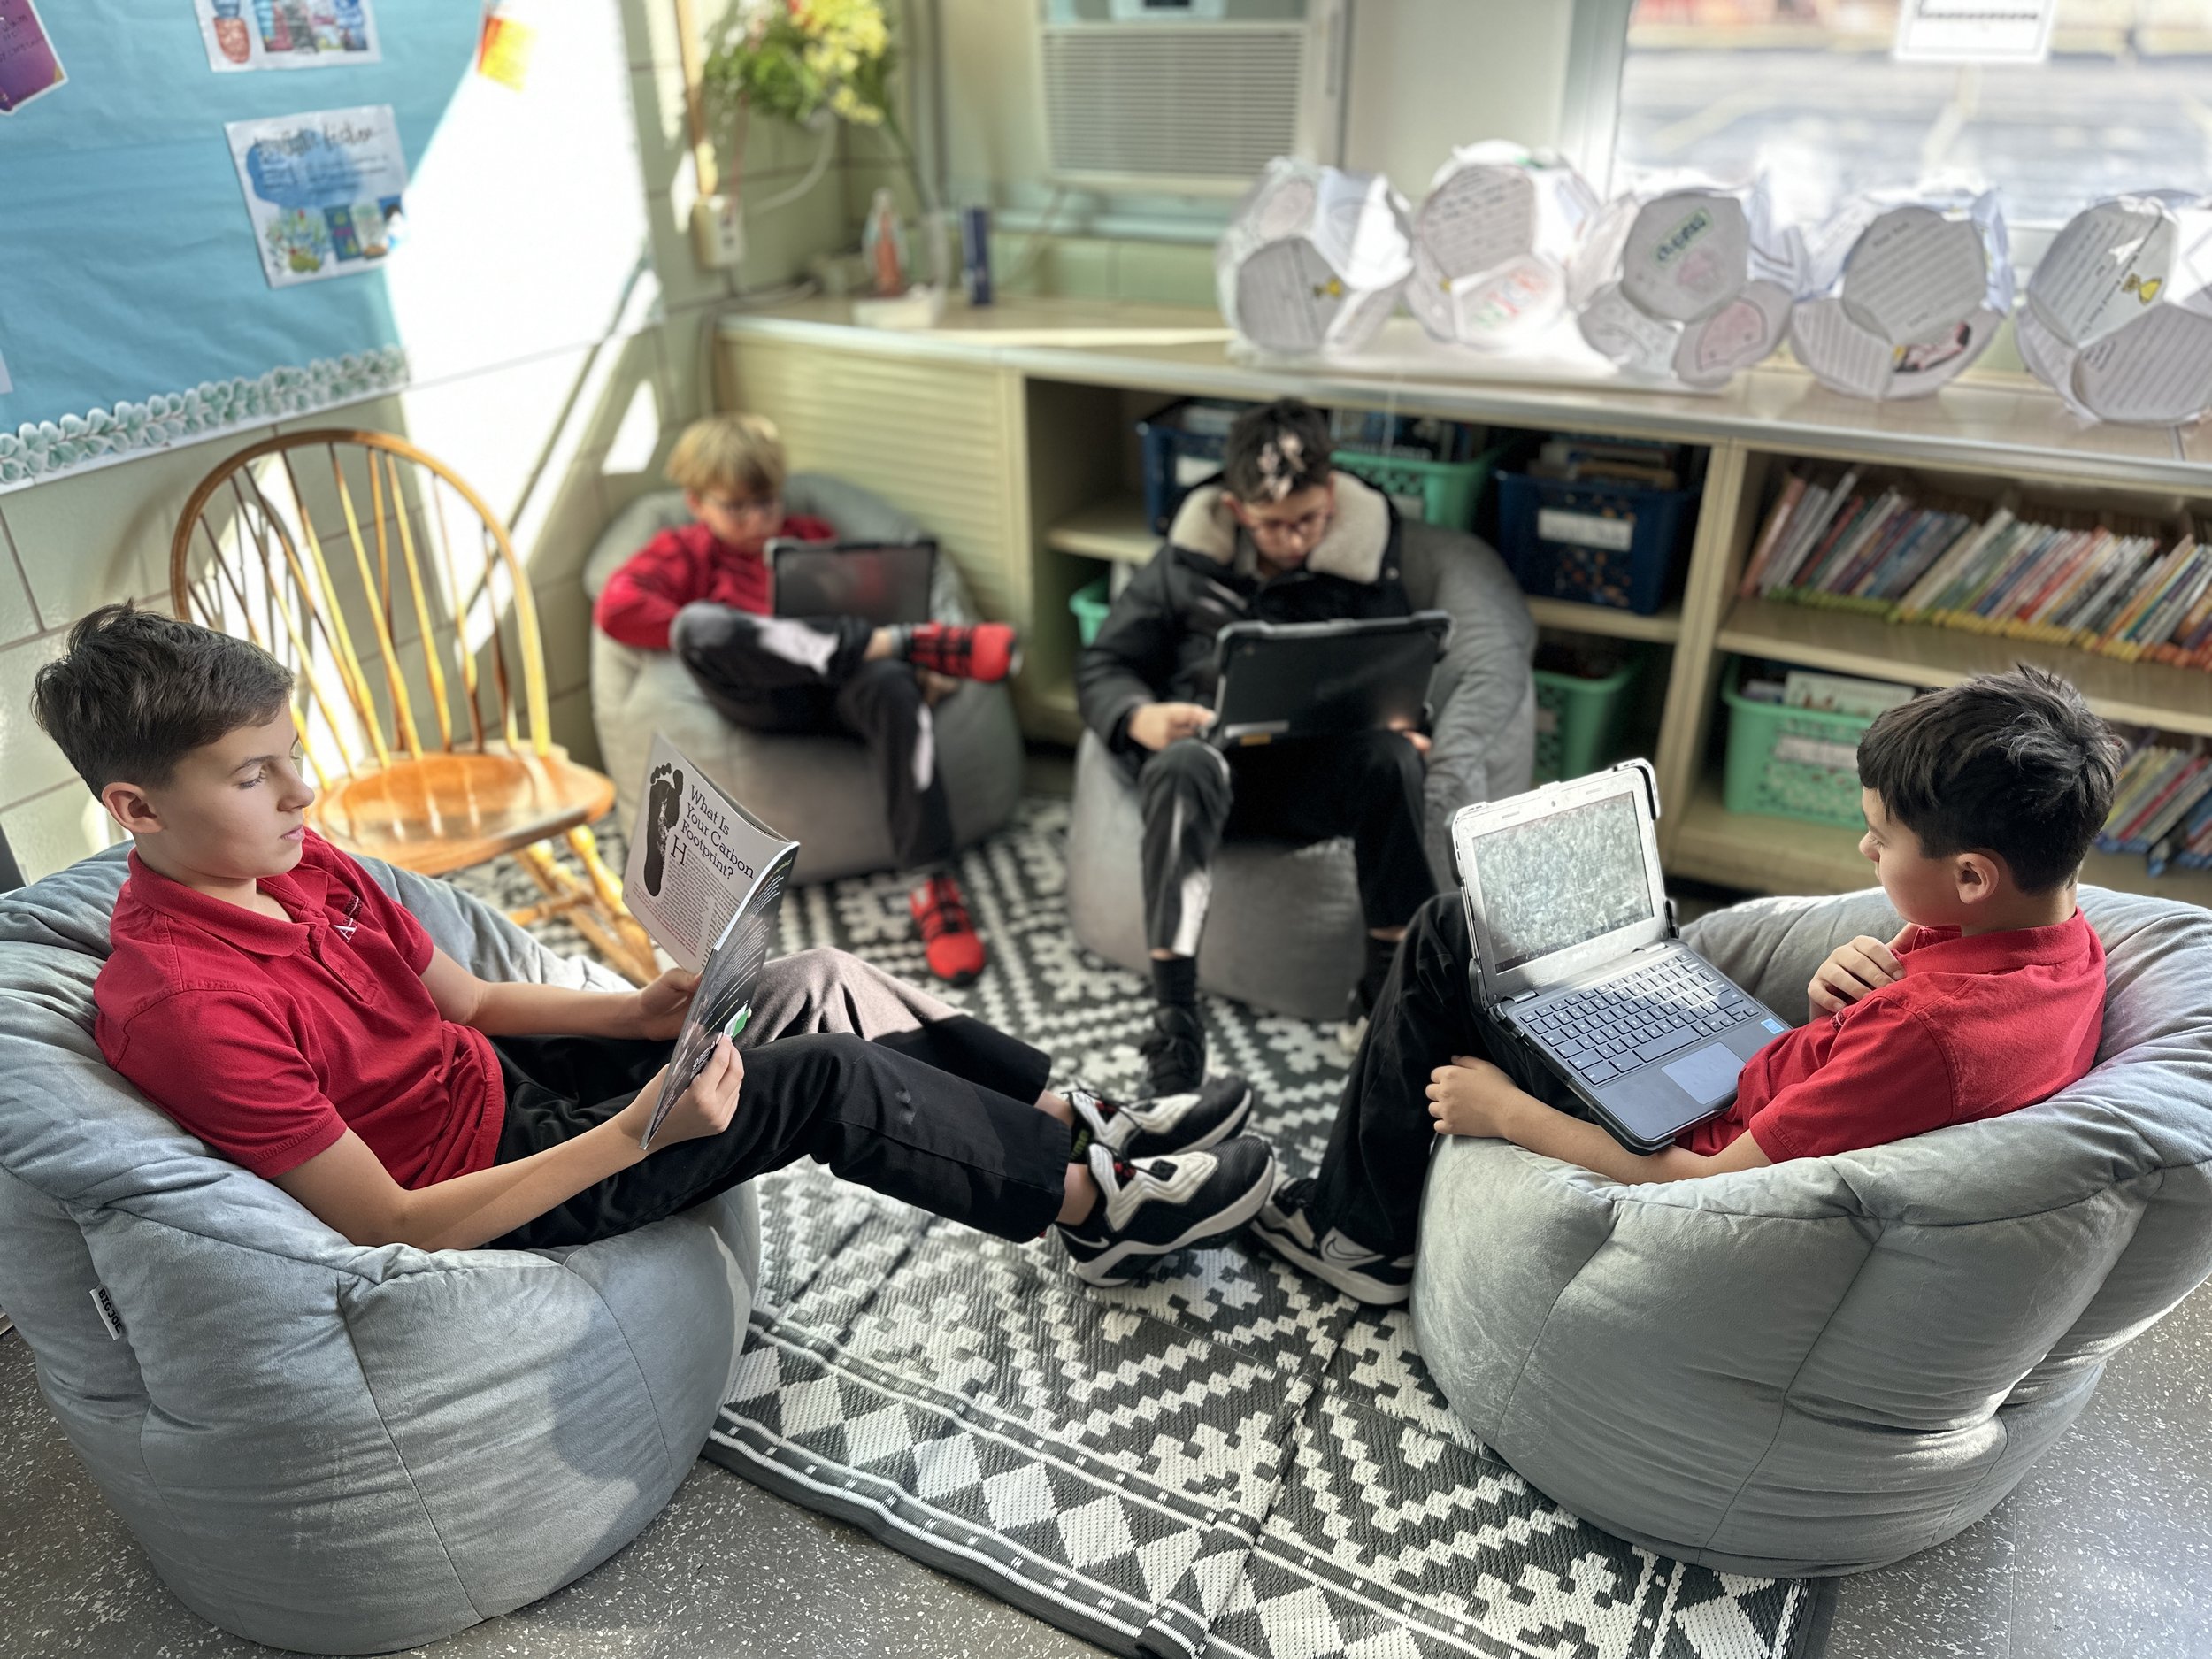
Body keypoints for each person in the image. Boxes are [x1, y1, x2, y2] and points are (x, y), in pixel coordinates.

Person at [35, 606, 1273, 1288]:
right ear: (136, 808)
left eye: (291, 755)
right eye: (257, 775)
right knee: (826, 1080)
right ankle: (1093, 1209)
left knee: (818, 979)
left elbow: (462, 994)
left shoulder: (302, 860)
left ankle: (1085, 1115)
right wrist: (636, 1133)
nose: (304, 793)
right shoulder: (183, 1002)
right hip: (499, 1196)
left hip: (518, 1098)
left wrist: (634, 1015)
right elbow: (390, 1223)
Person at [1253, 667, 2121, 1306]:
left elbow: (1700, 1186)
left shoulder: (1927, 1037)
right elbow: (1867, 1066)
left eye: (1880, 838)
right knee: (1561, 961)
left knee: (1449, 930)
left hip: (1679, 1142)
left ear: (1972, 875)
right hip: (1743, 1070)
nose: (1866, 854)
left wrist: (1509, 1115)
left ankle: (1360, 1238)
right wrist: (1826, 1015)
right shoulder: (2061, 946)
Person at [1077, 398, 1437, 1096]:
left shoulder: (1365, 564)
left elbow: (1393, 666)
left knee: (1395, 762)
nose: (1296, 538)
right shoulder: (1185, 563)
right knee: (1180, 765)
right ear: (1238, 511)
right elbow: (1101, 664)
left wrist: (1401, 721)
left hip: (1310, 777)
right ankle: (1176, 1018)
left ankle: (1383, 990)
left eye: (1309, 518)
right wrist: (1140, 716)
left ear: (1332, 494)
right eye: (1273, 525)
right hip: (1208, 773)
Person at [594, 414, 1018, 986]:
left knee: (891, 684)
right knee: (698, 626)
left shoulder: (810, 539)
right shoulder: (686, 552)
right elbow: (618, 608)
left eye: (766, 502)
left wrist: (883, 651)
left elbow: (866, 599)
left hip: (840, 691)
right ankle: (912, 644)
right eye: (735, 507)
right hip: (760, 699)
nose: (757, 519)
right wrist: (747, 632)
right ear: (695, 502)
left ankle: (932, 885)